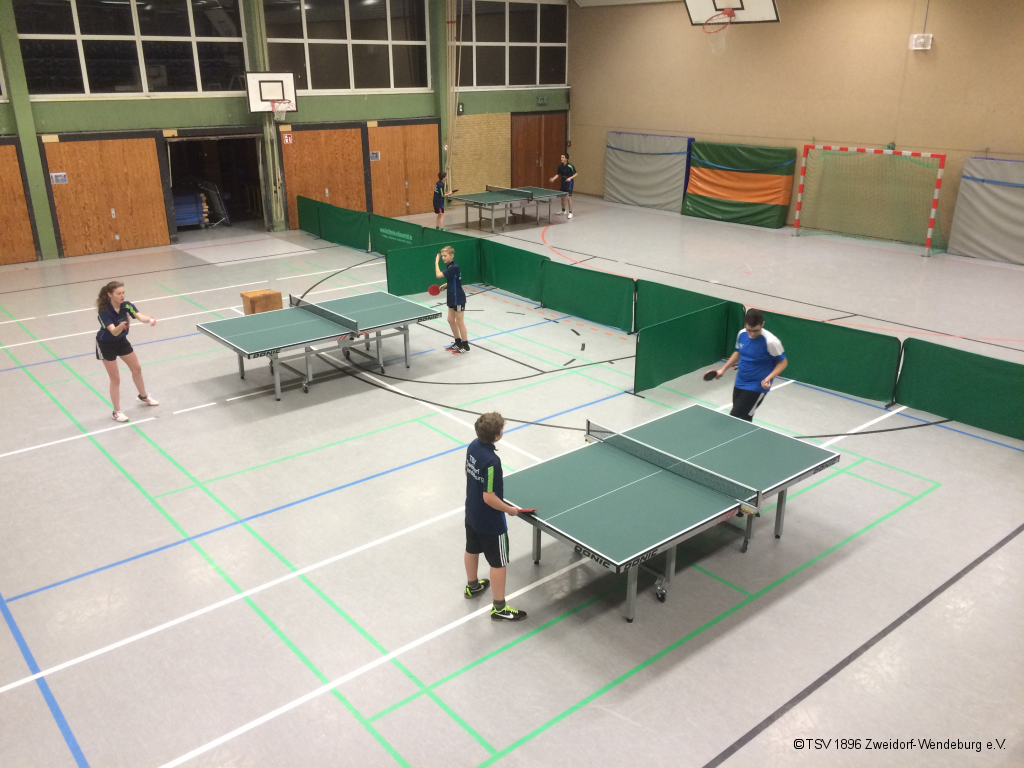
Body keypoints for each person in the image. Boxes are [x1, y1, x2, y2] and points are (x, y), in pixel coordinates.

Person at [463, 412, 533, 621]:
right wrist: (510, 510)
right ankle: (499, 608)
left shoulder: (472, 446)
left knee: (471, 548)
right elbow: (489, 497)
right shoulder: (492, 462)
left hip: (471, 512)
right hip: (490, 522)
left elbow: (467, 472)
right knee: (498, 562)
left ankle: (472, 586)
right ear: (497, 436)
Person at [95, 281, 159, 422]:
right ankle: (116, 412)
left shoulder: (127, 305)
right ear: (110, 294)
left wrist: (149, 319)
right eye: (118, 293)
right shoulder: (104, 312)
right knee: (115, 379)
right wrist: (121, 325)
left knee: (136, 368)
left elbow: (140, 317)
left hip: (121, 341)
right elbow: (113, 331)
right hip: (106, 344)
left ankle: (143, 396)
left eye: (123, 292)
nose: (122, 295)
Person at [714, 308, 787, 422]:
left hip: (757, 385)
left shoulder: (771, 341)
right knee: (744, 418)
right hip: (740, 381)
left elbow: (782, 362)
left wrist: (768, 378)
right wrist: (722, 369)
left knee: (734, 418)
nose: (752, 334)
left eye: (756, 330)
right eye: (749, 330)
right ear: (745, 324)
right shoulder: (742, 334)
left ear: (762, 324)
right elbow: (737, 353)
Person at [434, 245, 470, 354]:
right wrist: (446, 285)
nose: (443, 258)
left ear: (452, 256)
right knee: (450, 320)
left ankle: (465, 345)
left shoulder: (454, 267)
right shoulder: (449, 266)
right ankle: (457, 342)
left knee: (459, 322)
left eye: (445, 256)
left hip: (458, 298)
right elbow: (455, 279)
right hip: (451, 296)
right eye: (442, 256)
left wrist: (436, 262)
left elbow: (438, 275)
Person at [549, 153, 577, 218]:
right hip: (563, 183)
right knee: (562, 197)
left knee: (569, 198)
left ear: (566, 159)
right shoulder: (560, 166)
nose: (561, 159)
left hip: (569, 183)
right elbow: (558, 174)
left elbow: (576, 174)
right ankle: (563, 211)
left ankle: (570, 212)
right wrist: (553, 178)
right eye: (561, 157)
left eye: (563, 157)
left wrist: (570, 178)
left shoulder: (570, 166)